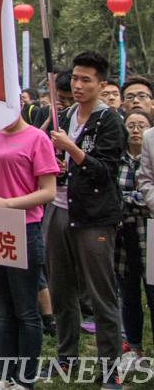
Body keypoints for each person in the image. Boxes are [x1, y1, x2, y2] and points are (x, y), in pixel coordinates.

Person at [0, 112, 59, 389]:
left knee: (26, 311)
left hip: (24, 230)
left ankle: (25, 379)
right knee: (4, 310)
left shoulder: (37, 139)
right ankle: (6, 377)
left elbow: (48, 191)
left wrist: (9, 203)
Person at [47, 52, 125, 386]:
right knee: (61, 290)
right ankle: (66, 357)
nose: (78, 86)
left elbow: (105, 172)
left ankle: (110, 368)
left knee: (101, 294)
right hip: (60, 209)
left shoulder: (110, 121)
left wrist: (73, 151)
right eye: (75, 78)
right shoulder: (63, 115)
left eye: (86, 80)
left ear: (101, 84)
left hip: (94, 218)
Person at [116, 110, 154, 365]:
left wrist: (130, 201)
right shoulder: (116, 158)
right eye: (131, 125)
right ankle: (134, 347)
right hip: (124, 234)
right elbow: (143, 183)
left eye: (141, 124)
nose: (136, 130)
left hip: (149, 229)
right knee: (128, 292)